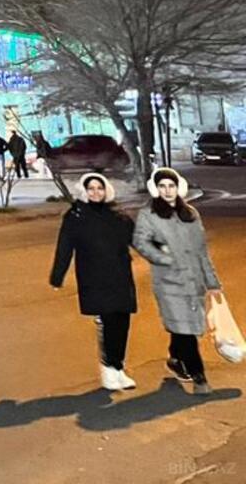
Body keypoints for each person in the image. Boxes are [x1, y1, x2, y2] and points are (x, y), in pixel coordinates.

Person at [132, 167, 223, 394]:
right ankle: (199, 377)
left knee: (184, 329)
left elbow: (202, 251)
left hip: (193, 280)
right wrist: (165, 259)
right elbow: (141, 242)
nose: (167, 190)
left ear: (178, 187)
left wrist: (212, 282)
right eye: (162, 186)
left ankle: (175, 359)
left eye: (171, 186)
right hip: (169, 282)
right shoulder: (149, 214)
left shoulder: (190, 213)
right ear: (156, 189)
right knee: (185, 331)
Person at [49, 172, 137, 390]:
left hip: (120, 276)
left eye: (100, 188)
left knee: (122, 322)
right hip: (94, 277)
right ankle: (108, 369)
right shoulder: (76, 216)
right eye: (91, 189)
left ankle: (118, 367)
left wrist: (160, 251)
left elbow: (137, 239)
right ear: (85, 191)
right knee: (107, 322)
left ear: (106, 190)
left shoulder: (117, 215)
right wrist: (57, 275)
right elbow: (64, 246)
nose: (96, 192)